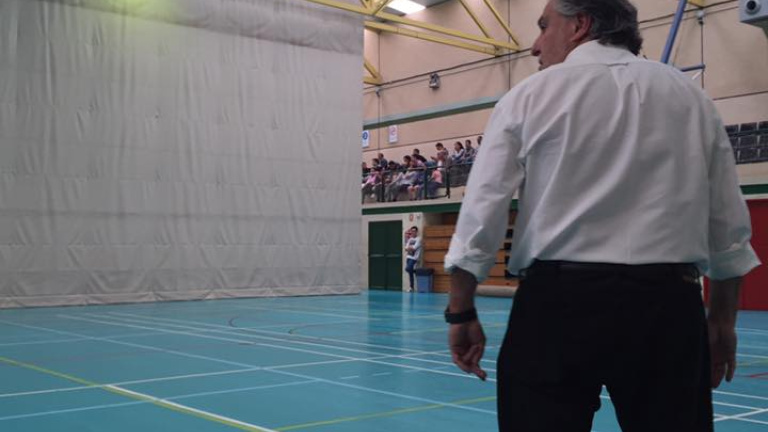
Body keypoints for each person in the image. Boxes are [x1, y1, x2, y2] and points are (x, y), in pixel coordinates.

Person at [443, 1, 761, 432]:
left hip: (556, 308)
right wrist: (721, 321)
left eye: (543, 27)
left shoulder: (528, 98)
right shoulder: (690, 97)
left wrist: (461, 311)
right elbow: (726, 224)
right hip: (667, 309)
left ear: (580, 25)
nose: (535, 46)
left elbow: (482, 211)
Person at [404, 226, 422, 292]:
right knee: (410, 273)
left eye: (414, 231)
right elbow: (406, 248)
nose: (413, 232)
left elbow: (414, 248)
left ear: (416, 232)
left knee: (408, 269)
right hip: (408, 257)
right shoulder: (410, 239)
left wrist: (410, 247)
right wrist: (410, 248)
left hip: (414, 258)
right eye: (412, 231)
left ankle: (415, 271)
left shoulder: (419, 239)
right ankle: (411, 287)